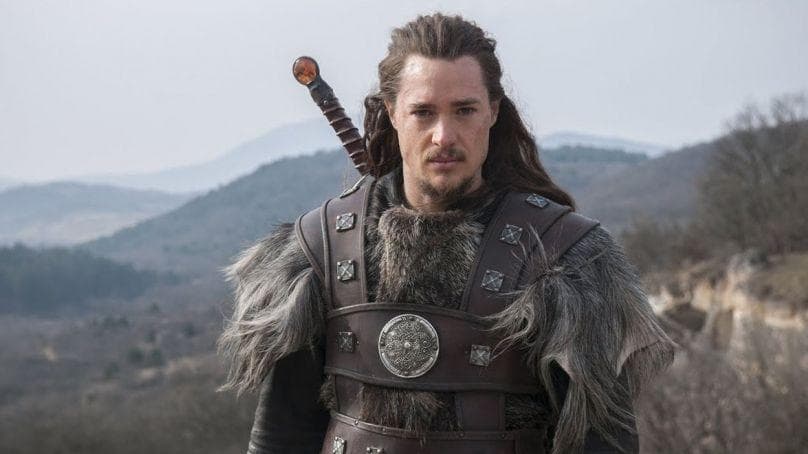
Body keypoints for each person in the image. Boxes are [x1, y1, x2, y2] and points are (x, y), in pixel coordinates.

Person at [219, 13, 674, 454]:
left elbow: (603, 442)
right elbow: (283, 436)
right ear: (392, 113)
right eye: (423, 112)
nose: (443, 135)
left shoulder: (561, 257)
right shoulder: (321, 249)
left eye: (464, 110)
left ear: (492, 111)